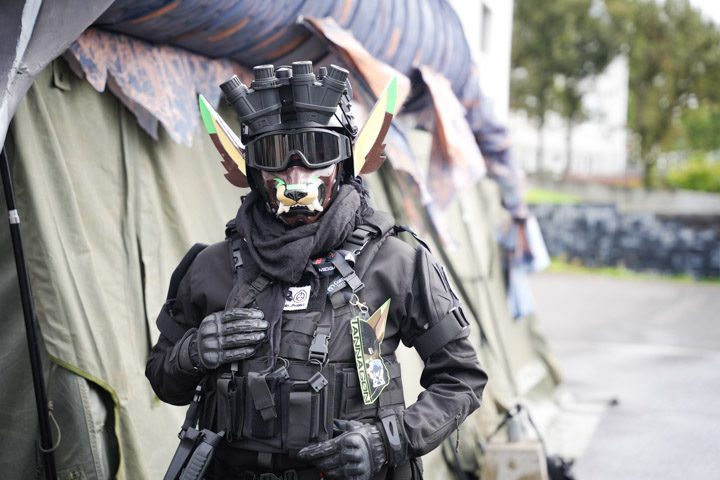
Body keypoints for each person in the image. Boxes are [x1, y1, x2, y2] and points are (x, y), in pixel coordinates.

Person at [146, 61, 488, 480]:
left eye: (316, 152)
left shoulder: (397, 263)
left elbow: (461, 377)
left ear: (345, 160)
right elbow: (163, 380)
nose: (295, 174)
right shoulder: (209, 267)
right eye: (275, 156)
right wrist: (192, 353)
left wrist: (388, 441)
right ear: (252, 169)